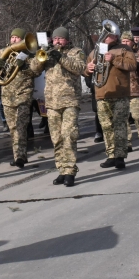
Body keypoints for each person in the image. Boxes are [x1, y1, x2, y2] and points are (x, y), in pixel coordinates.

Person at [0, 28, 44, 169]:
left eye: (17, 38)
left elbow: (36, 72)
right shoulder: (4, 52)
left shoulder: (30, 54)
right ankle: (19, 155)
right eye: (12, 37)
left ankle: (20, 156)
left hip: (23, 96)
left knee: (21, 126)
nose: (14, 40)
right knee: (13, 128)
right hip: (7, 96)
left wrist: (25, 66)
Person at [86, 26, 137, 169]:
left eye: (109, 34)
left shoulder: (124, 49)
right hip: (101, 94)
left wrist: (114, 59)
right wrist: (88, 69)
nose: (106, 36)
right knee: (106, 126)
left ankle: (120, 156)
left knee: (119, 125)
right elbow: (86, 69)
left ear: (116, 36)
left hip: (120, 93)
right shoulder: (96, 50)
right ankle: (111, 155)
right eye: (105, 34)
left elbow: (132, 65)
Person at [43, 26, 87, 187]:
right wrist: (40, 55)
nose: (57, 41)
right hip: (52, 102)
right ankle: (61, 169)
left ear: (67, 39)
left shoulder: (76, 52)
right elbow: (34, 70)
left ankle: (69, 171)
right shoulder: (49, 52)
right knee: (56, 138)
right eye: (55, 39)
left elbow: (79, 68)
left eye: (60, 38)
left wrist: (60, 57)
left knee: (69, 136)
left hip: (70, 101)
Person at [121, 31, 139, 150]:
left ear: (132, 42)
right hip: (121, 90)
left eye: (127, 41)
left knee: (137, 116)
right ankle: (127, 141)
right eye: (123, 41)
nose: (125, 43)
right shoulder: (118, 53)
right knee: (123, 117)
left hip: (135, 89)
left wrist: (138, 65)